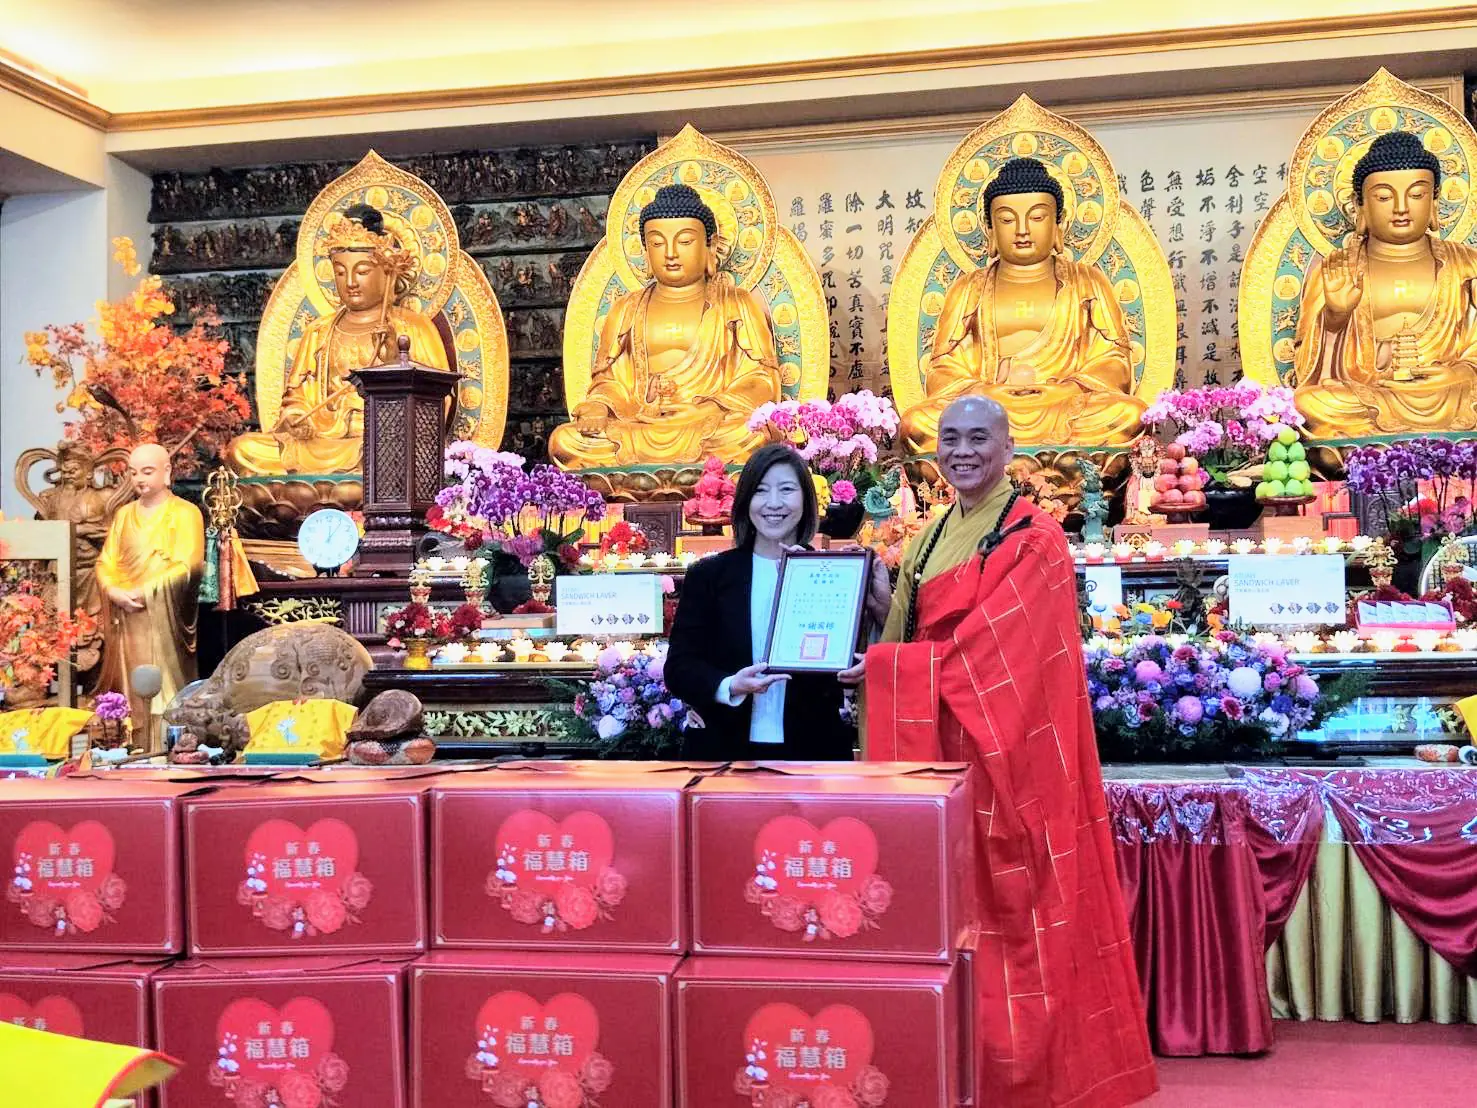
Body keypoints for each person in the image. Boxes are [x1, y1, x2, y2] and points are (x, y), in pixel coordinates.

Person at [843, 394, 1157, 1107]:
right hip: (937, 758)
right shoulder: (928, 536)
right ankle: (945, 1054)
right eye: (949, 438)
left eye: (977, 438)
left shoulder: (1035, 537)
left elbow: (997, 658)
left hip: (1003, 758)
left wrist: (894, 667)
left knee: (1013, 906)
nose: (961, 451)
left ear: (1009, 446)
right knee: (942, 907)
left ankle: (1018, 1068)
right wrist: (872, 620)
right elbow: (908, 634)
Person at [549, 183, 781, 468]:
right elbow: (608, 381)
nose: (670, 253)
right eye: (657, 243)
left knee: (754, 435)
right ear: (646, 251)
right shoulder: (626, 308)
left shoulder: (736, 303)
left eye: (685, 241)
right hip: (638, 425)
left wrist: (709, 408)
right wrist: (599, 406)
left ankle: (676, 472)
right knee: (564, 441)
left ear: (710, 245)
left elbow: (762, 380)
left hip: (709, 424)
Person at [665, 444, 853, 760]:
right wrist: (729, 685)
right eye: (761, 490)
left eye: (787, 490)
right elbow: (679, 668)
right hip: (725, 750)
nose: (774, 503)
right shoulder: (709, 575)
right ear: (745, 501)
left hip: (813, 752)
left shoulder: (831, 575)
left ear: (806, 500)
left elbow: (851, 662)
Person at [95, 443, 206, 736]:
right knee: (128, 684)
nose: (139, 479)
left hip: (163, 617)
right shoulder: (124, 515)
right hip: (126, 615)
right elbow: (105, 562)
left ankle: (167, 739)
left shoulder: (186, 513)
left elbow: (189, 565)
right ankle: (128, 737)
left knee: (163, 685)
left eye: (147, 471)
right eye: (133, 473)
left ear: (166, 472)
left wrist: (147, 591)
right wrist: (113, 590)